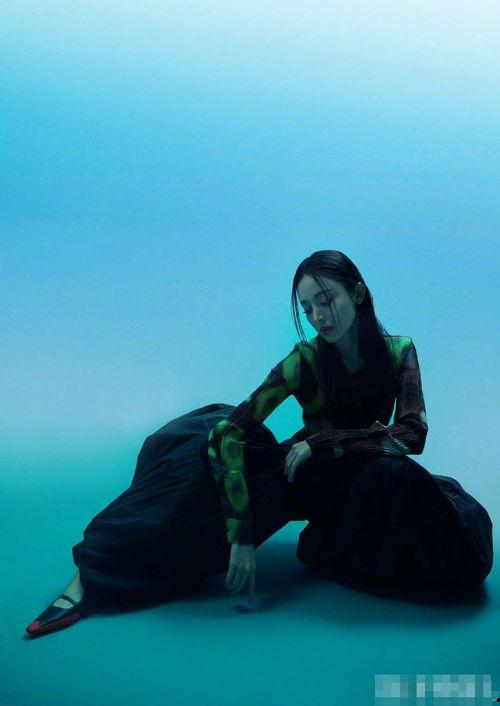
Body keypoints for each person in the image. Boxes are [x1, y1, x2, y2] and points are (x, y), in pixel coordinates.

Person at [25, 250, 494, 638]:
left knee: (417, 499)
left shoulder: (398, 351)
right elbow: (228, 434)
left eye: (326, 299)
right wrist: (242, 537)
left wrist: (326, 441)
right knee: (197, 474)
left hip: (368, 479)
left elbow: (412, 435)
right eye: (307, 308)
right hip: (303, 478)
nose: (317, 316)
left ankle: (333, 547)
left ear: (357, 293)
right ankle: (90, 576)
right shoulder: (305, 360)